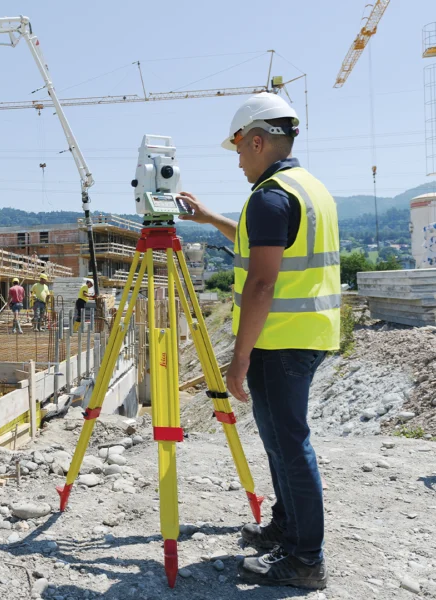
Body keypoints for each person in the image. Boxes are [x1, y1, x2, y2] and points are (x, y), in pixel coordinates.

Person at [178, 92, 339, 590]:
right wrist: (209, 220)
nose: (240, 162)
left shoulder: (270, 196)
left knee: (289, 443)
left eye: (241, 151)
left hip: (282, 338)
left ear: (257, 140)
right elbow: (262, 243)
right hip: (307, 332)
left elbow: (263, 282)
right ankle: (287, 530)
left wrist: (238, 358)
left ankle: (305, 560)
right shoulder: (308, 189)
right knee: (279, 441)